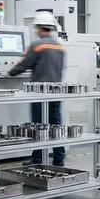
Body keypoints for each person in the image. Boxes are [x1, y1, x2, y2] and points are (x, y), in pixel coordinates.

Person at [8, 11, 66, 166]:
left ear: (40, 28)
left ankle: (38, 159)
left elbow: (25, 64)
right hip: (56, 91)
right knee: (56, 126)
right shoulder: (60, 47)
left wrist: (10, 72)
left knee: (39, 126)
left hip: (39, 92)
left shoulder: (37, 46)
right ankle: (59, 158)